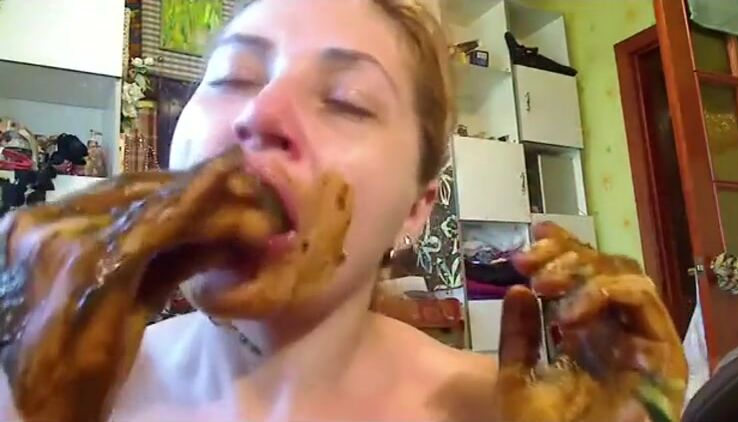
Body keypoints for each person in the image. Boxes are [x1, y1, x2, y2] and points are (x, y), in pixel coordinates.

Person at [0, 1, 687, 421]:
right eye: (235, 77)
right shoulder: (45, 389)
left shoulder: (496, 413)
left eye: (347, 101)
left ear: (415, 209)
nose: (260, 113)